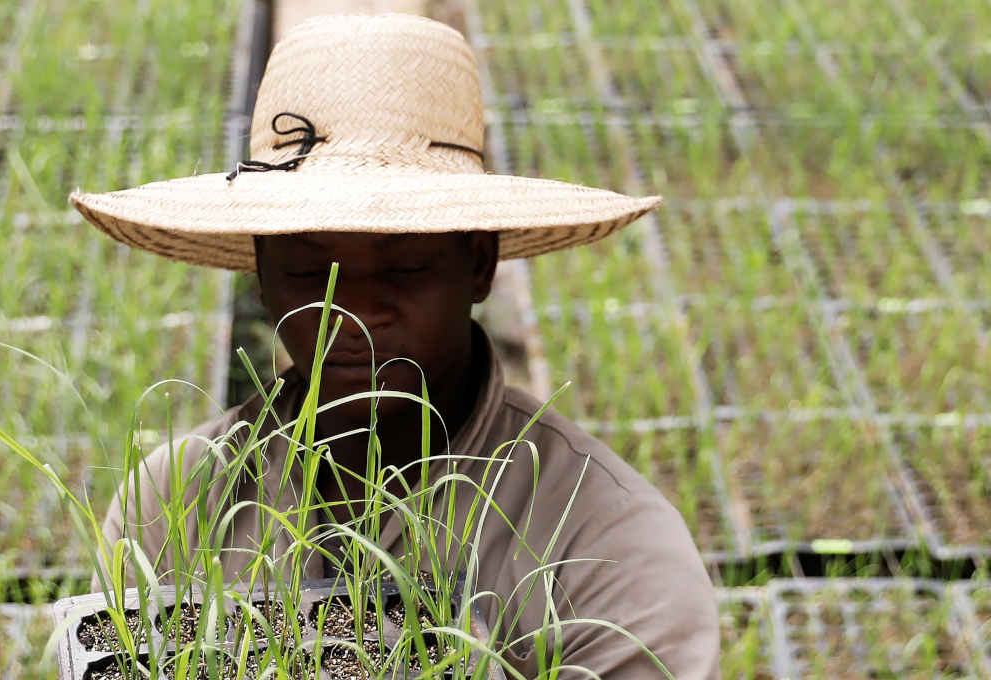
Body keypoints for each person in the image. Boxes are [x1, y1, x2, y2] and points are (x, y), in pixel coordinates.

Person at [71, 13, 719, 678]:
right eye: (305, 269)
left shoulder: (606, 541)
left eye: (404, 266)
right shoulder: (173, 503)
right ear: (260, 273)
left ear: (479, 264)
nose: (348, 311)